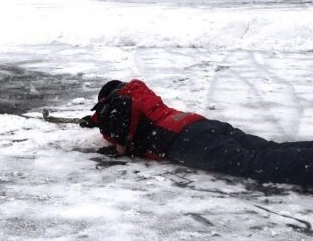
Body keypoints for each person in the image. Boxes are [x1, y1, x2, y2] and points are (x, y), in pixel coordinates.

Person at [80, 79, 313, 186]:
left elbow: (121, 117)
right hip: (199, 123)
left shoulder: (119, 104)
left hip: (183, 140)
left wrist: (120, 147)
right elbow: (126, 113)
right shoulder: (139, 94)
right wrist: (92, 121)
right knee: (266, 148)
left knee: (250, 163)